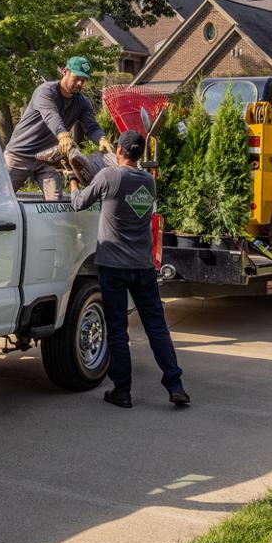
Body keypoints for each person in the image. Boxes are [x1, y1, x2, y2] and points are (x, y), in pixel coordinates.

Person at [70, 127, 189, 409]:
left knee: (117, 328)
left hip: (113, 265)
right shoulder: (148, 182)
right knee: (157, 327)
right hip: (143, 266)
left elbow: (78, 203)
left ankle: (122, 391)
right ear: (140, 154)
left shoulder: (109, 176)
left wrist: (74, 182)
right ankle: (175, 384)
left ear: (120, 151)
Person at [4, 55, 106, 199]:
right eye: (77, 78)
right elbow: (51, 115)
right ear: (65, 72)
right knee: (1, 197)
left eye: (83, 80)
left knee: (55, 203)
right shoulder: (46, 91)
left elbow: (92, 127)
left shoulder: (82, 103)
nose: (80, 84)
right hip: (19, 155)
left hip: (48, 159)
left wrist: (102, 139)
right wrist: (63, 135)